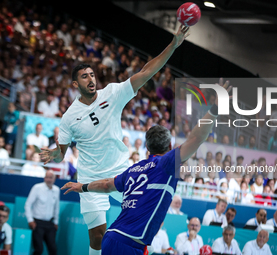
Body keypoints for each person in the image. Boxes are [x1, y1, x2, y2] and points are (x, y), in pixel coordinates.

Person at [42, 25, 190, 255]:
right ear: (75, 85)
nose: (90, 79)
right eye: (84, 76)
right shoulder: (68, 117)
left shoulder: (111, 93)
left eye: (91, 74)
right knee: (98, 236)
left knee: (140, 223)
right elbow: (61, 152)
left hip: (122, 172)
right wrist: (54, 154)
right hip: (90, 175)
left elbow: (145, 72)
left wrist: (173, 45)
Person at [60, 78, 231, 254]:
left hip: (112, 238)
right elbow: (196, 138)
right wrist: (215, 109)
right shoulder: (167, 164)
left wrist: (83, 187)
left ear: (147, 148)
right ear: (170, 148)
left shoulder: (134, 169)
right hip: (130, 244)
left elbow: (106, 185)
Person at [24, 170, 60, 255]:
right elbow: (27, 204)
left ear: (54, 179)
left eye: (50, 177)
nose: (48, 179)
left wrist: (56, 222)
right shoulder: (37, 187)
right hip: (37, 223)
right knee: (39, 249)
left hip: (50, 223)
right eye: (46, 177)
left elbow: (56, 207)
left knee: (53, 249)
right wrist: (30, 220)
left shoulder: (57, 190)